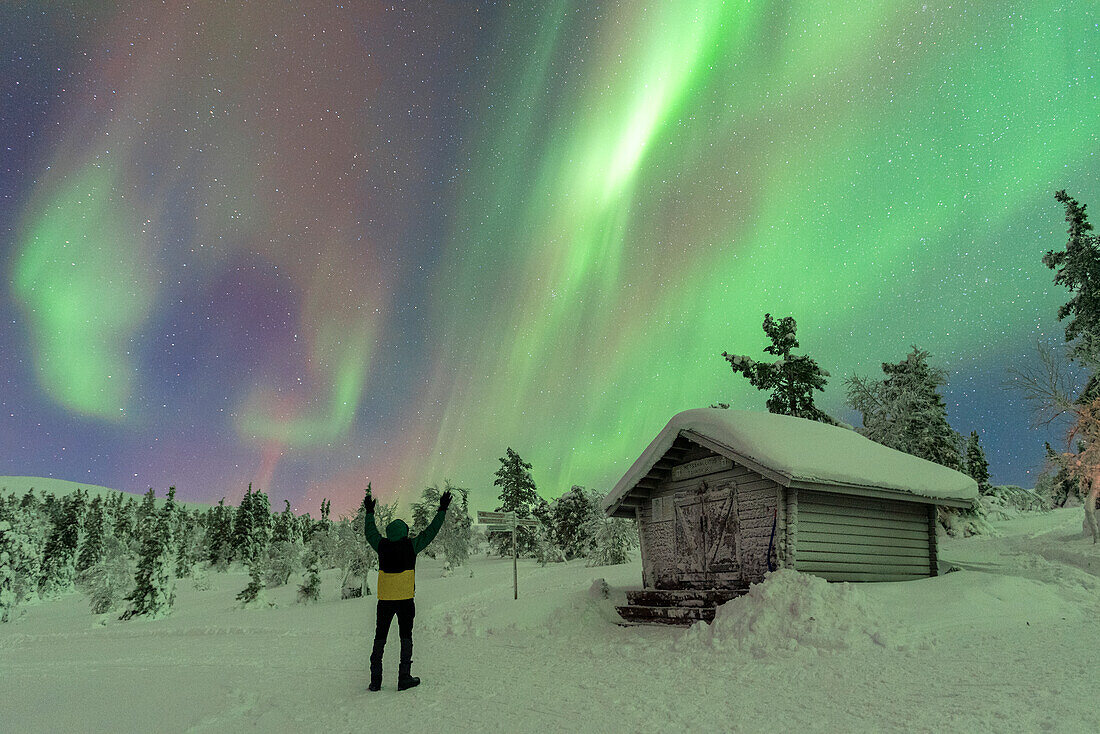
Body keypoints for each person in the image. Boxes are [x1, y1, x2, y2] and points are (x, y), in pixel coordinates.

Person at [363, 486, 451, 691]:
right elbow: (431, 531)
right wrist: (442, 509)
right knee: (406, 637)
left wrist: (369, 512)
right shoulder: (412, 546)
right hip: (405, 600)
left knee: (380, 637)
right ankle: (404, 677)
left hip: (384, 600)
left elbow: (370, 532)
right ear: (404, 532)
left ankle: (375, 680)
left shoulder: (382, 545)